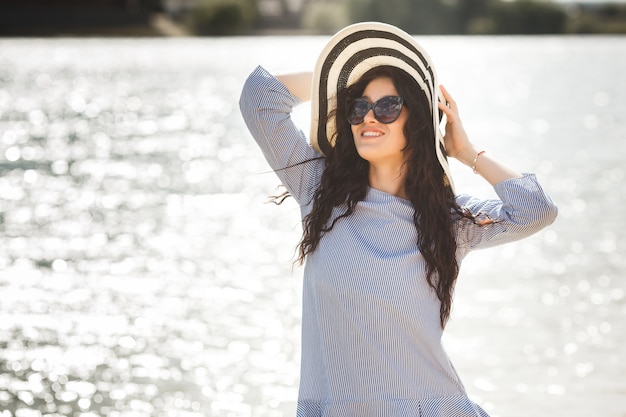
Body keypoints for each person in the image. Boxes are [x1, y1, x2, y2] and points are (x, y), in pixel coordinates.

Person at [239, 22, 557, 417]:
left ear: (417, 120)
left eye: (388, 106)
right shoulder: (318, 190)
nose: (369, 117)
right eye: (358, 106)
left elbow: (536, 210)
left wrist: (468, 153)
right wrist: (342, 82)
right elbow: (260, 96)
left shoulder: (449, 220)